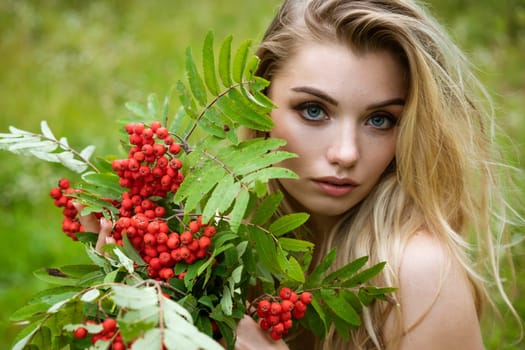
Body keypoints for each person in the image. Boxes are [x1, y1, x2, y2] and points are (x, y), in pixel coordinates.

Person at [81, 0, 522, 349]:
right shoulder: (217, 237)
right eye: (314, 111)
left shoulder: (415, 274)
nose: (346, 153)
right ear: (258, 98)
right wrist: (128, 289)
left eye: (380, 120)